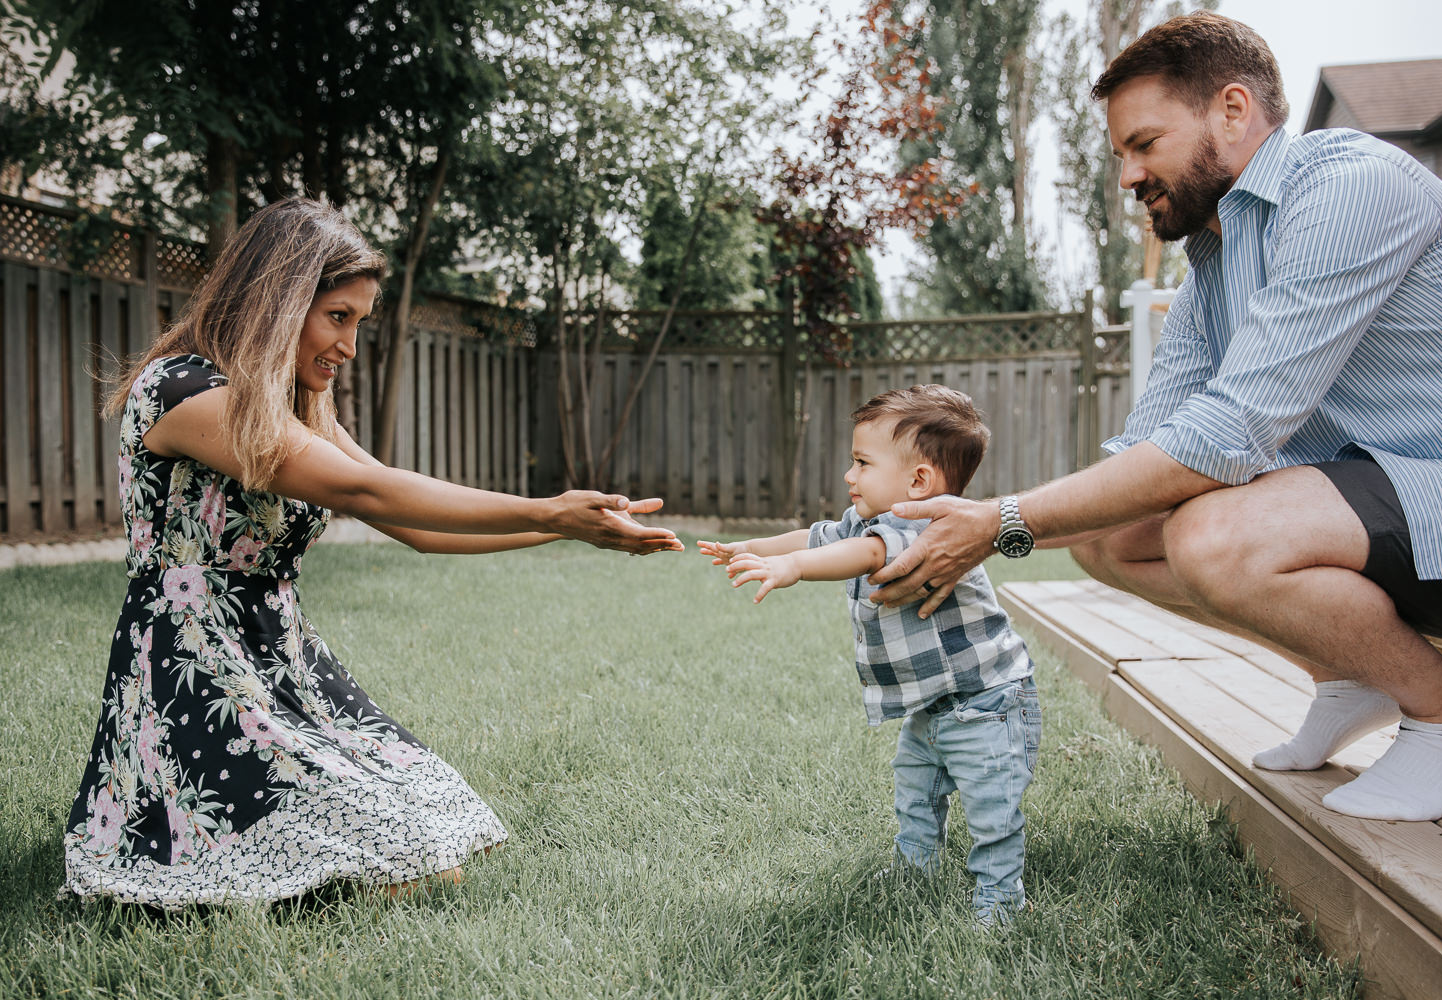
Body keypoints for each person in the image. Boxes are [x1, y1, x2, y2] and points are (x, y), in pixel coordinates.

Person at [866, 12, 1442, 824]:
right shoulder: (1215, 262)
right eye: (1121, 154)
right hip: (1410, 522)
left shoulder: (1350, 187)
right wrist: (978, 528)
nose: (1128, 176)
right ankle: (1352, 676)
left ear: (1232, 111)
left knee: (1215, 536)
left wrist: (999, 522)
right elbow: (1148, 452)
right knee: (1110, 536)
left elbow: (1224, 439)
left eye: (1145, 144)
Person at [61, 197, 683, 909]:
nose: (350, 347)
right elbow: (370, 491)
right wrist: (547, 507)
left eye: (359, 322)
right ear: (277, 302)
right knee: (403, 860)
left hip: (284, 664)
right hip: (192, 673)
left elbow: (416, 527)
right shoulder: (184, 392)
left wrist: (571, 528)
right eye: (337, 317)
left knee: (441, 829)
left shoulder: (291, 404)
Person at [698, 385, 1041, 924]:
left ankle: (1000, 897)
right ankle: (916, 863)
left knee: (992, 806)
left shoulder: (926, 527)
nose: (848, 475)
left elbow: (862, 555)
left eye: (861, 462)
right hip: (934, 700)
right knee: (916, 786)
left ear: (918, 480)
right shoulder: (864, 520)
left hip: (988, 699)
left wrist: (793, 571)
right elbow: (817, 537)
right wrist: (754, 548)